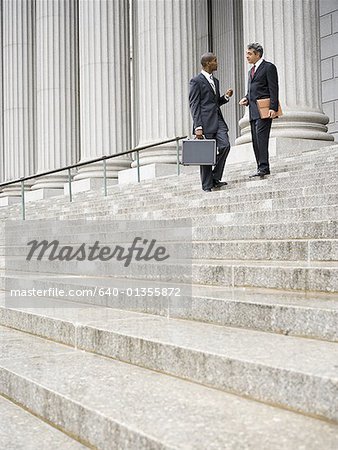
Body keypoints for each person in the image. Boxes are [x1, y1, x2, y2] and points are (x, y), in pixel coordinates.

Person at [189, 53, 233, 192]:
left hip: (218, 120)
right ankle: (207, 185)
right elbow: (194, 104)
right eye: (215, 61)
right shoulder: (196, 81)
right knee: (207, 154)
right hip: (204, 122)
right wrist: (198, 126)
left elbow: (214, 103)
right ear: (208, 63)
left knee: (225, 145)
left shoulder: (216, 81)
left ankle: (215, 176)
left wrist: (225, 97)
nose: (217, 63)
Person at [239, 42, 279, 178]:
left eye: (249, 54)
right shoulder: (251, 71)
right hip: (253, 111)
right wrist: (246, 98)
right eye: (247, 53)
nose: (247, 56)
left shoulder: (269, 67)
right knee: (256, 140)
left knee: (262, 139)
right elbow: (252, 90)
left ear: (258, 54)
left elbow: (273, 89)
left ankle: (264, 167)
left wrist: (273, 108)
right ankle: (260, 167)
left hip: (264, 110)